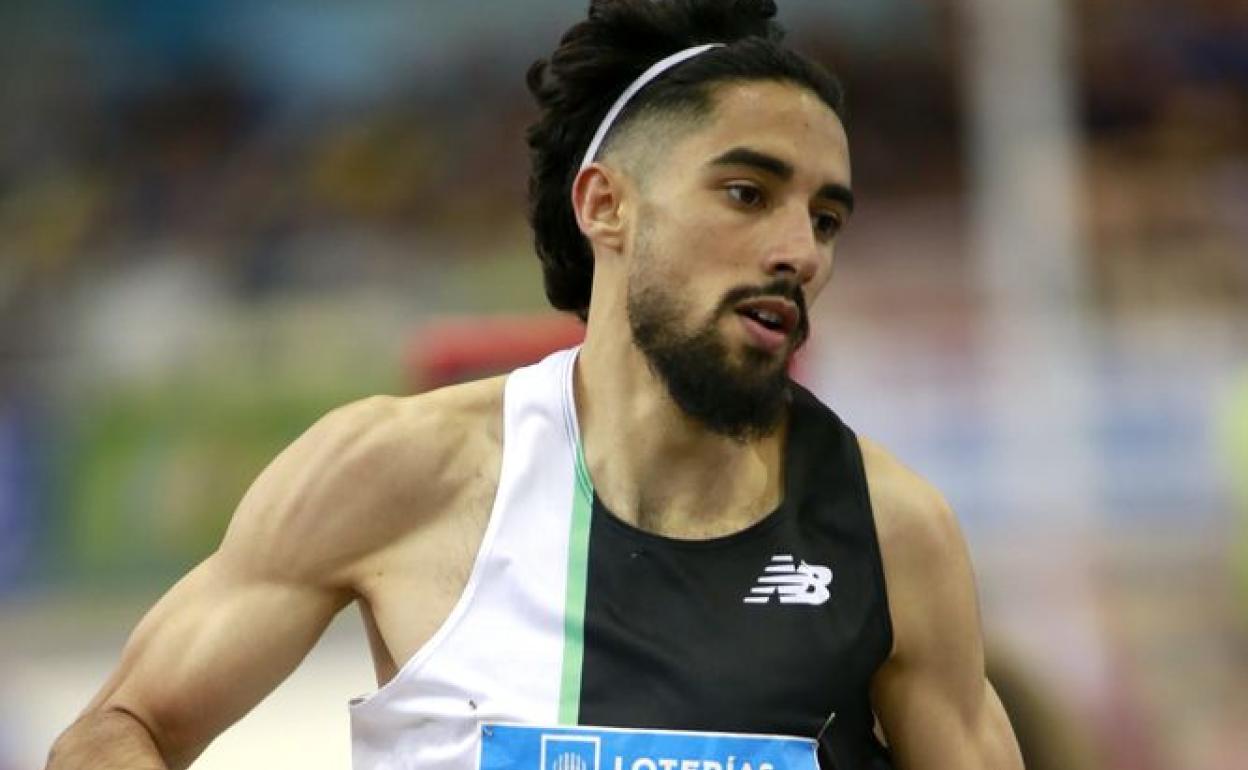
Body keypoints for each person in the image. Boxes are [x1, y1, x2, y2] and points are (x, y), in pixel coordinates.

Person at [46, 1, 1023, 768]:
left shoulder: (889, 530)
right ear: (606, 205)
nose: (799, 250)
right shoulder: (398, 473)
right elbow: (120, 729)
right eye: (747, 192)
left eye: (826, 219)